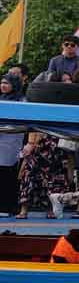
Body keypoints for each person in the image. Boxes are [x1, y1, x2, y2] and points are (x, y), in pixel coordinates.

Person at [17, 132, 71, 219]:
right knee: (29, 179)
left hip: (56, 148)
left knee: (53, 181)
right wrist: (31, 143)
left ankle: (50, 210)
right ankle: (24, 210)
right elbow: (32, 135)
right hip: (37, 150)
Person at [0, 74, 23, 215]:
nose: (3, 85)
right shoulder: (1, 98)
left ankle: (7, 207)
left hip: (12, 141)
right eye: (2, 82)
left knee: (8, 174)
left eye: (6, 83)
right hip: (1, 140)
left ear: (14, 85)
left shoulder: (21, 101)